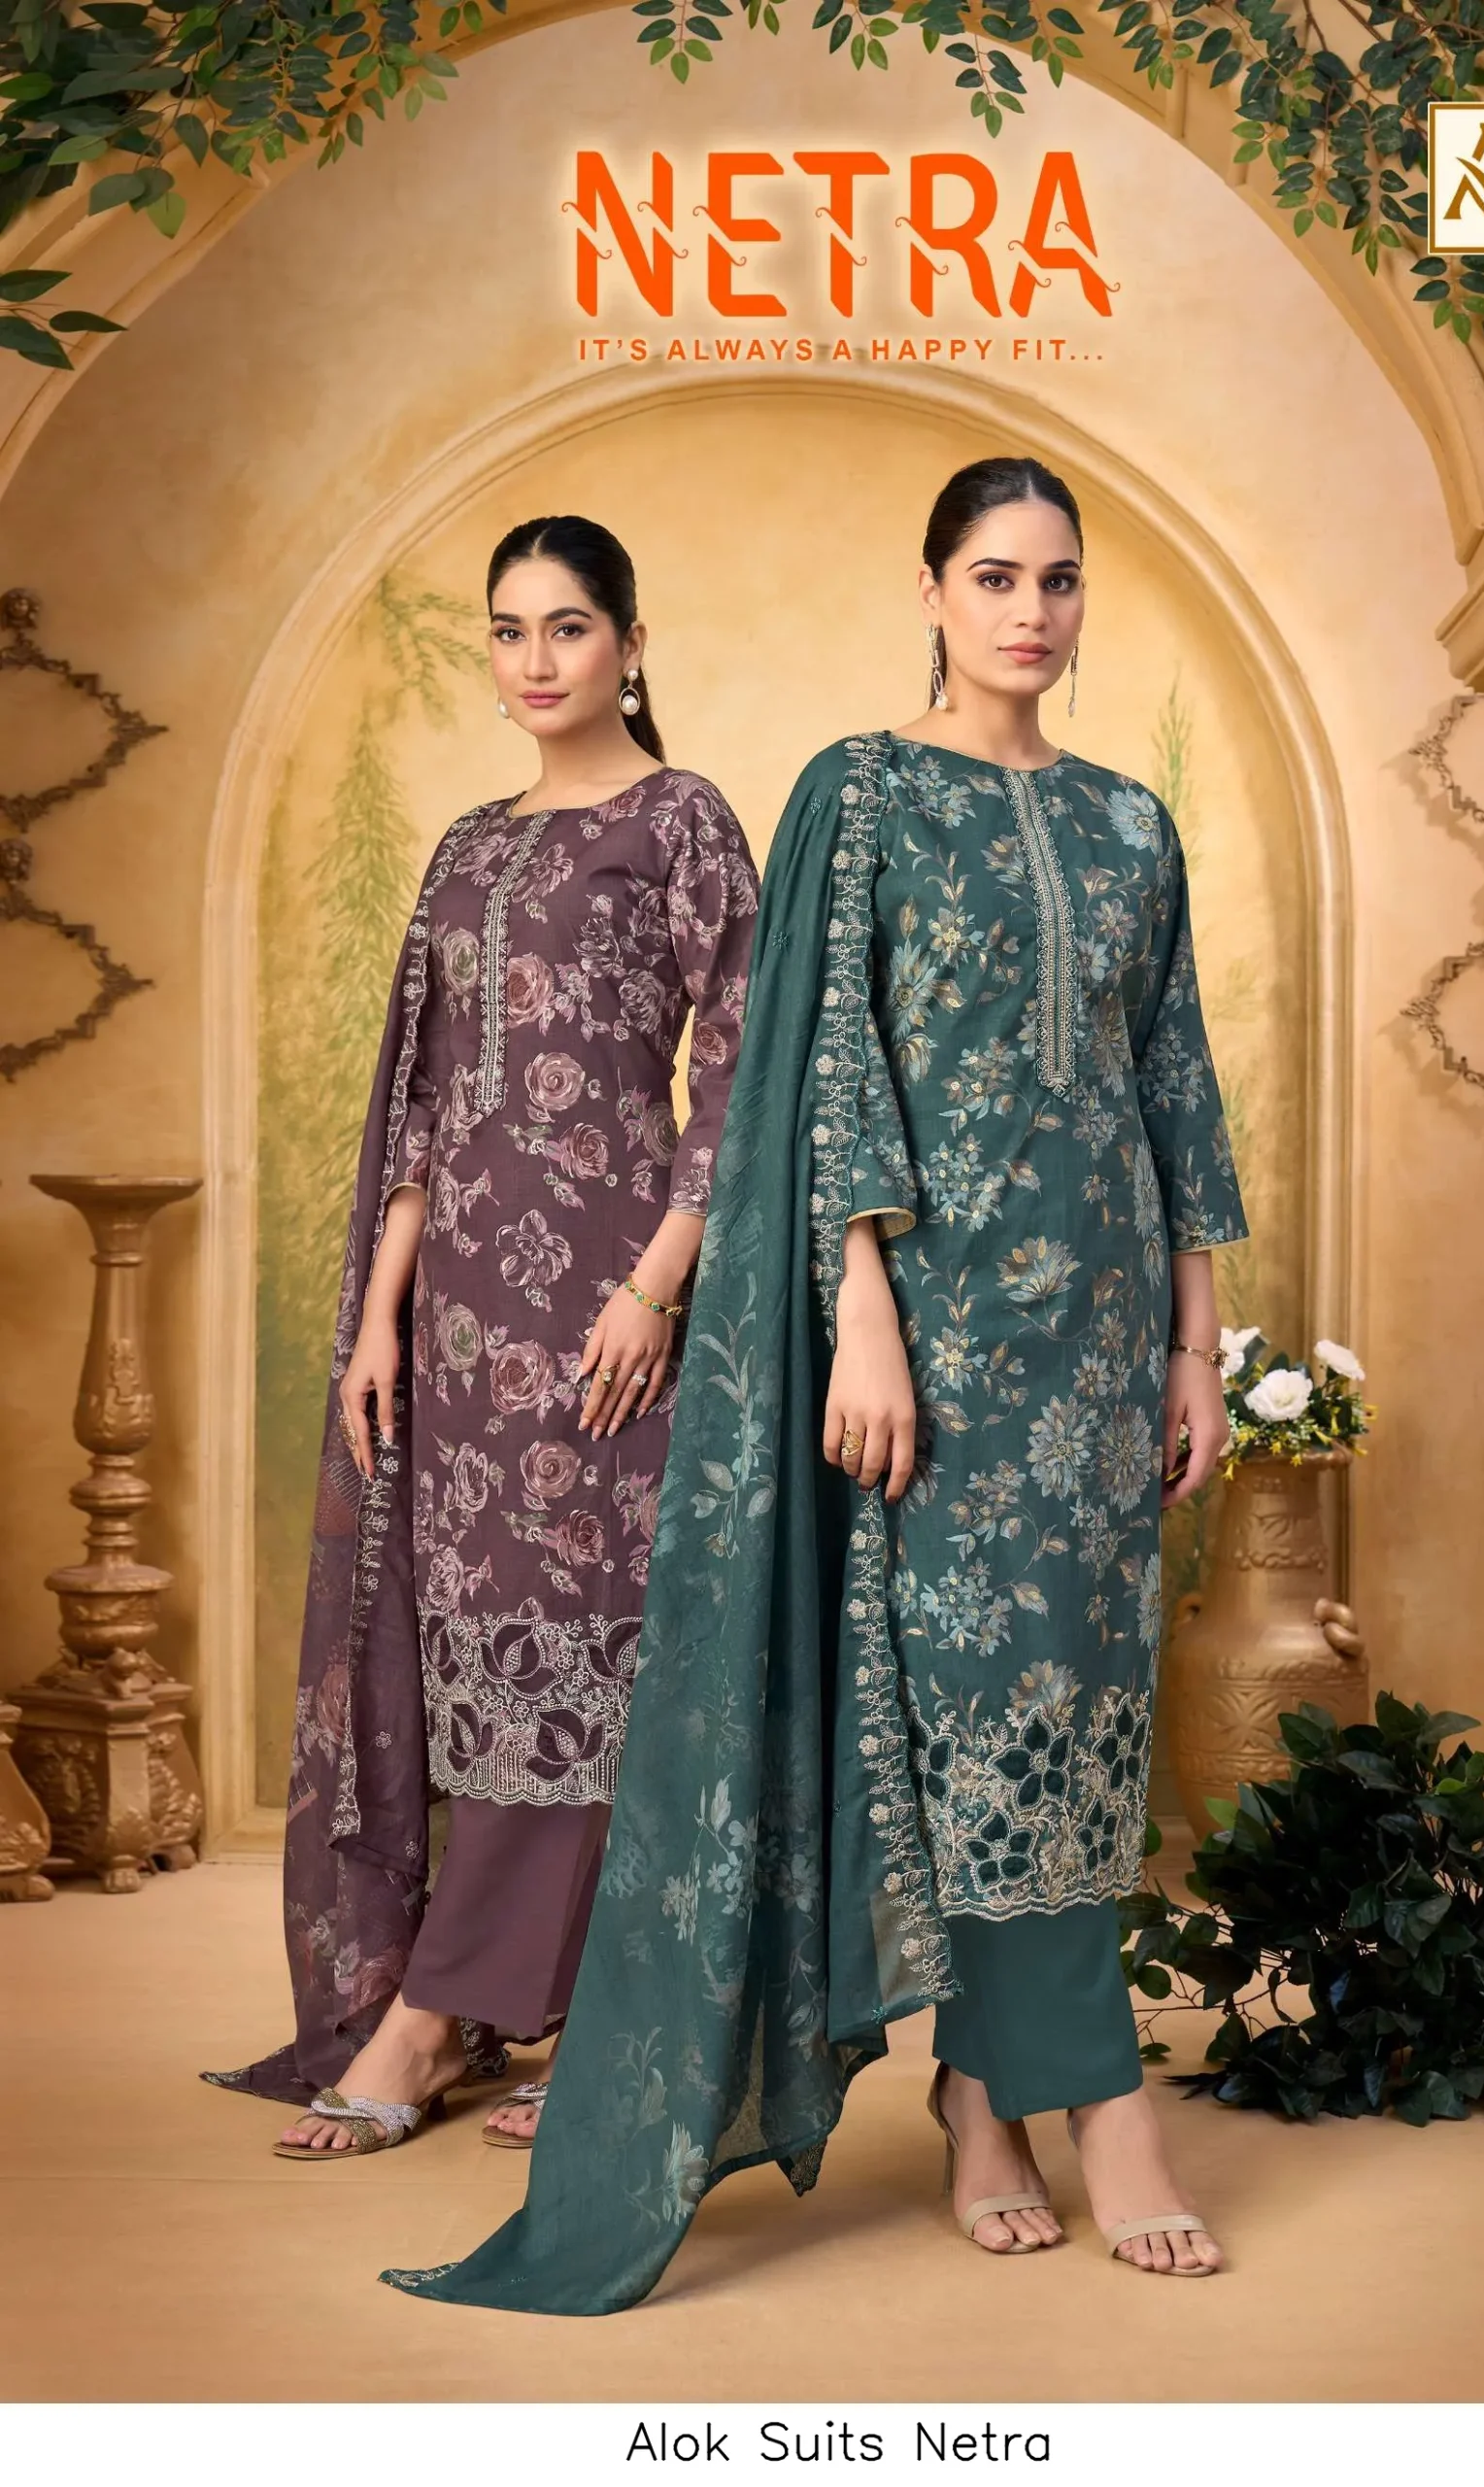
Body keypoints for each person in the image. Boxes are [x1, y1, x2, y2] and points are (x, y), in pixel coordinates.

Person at [382, 454, 1244, 2309]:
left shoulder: (1130, 824)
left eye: (1059, 580)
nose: (1031, 611)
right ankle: (1101, 2111)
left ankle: (983, 2098)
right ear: (931, 591)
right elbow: (826, 1065)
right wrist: (858, 1311)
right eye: (995, 576)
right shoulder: (862, 793)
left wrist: (1195, 1343)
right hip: (934, 1340)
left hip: (1102, 1342)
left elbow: (1174, 1081)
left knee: (1085, 1717)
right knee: (976, 1716)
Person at [204, 515, 759, 2154]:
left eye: (568, 627)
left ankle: (440, 2017)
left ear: (632, 645)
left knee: (587, 1665)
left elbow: (739, 1070)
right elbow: (426, 1109)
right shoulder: (463, 848)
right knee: (481, 1666)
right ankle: (528, 2013)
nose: (535, 660)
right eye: (508, 631)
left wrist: (656, 1287)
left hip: (613, 1320)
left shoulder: (681, 823)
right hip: (459, 1330)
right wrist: (380, 1319)